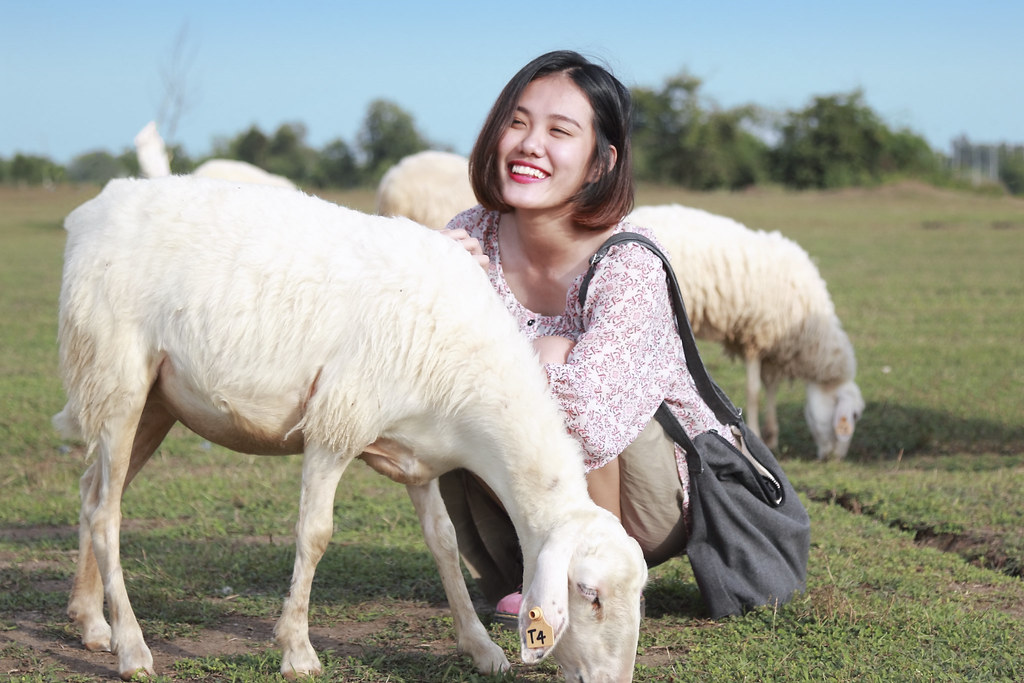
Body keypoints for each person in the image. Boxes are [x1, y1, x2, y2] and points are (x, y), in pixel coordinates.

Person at [439, 50, 738, 626]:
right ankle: (536, 569)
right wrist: (444, 286)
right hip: (525, 492)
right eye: (518, 121)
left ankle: (596, 574)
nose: (530, 144)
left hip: (649, 498)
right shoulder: (470, 235)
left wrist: (496, 343)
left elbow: (592, 421)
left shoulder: (628, 260)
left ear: (601, 162)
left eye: (560, 131)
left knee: (550, 356)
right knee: (471, 378)